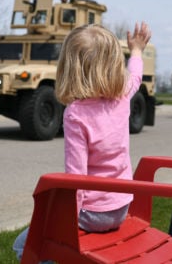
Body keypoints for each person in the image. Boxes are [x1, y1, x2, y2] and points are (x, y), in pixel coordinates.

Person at [12, 22, 151, 261]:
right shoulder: (123, 95)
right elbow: (136, 76)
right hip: (120, 208)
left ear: (70, 68)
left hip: (91, 215)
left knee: (22, 245)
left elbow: (76, 178)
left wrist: (67, 225)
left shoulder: (76, 114)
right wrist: (137, 49)